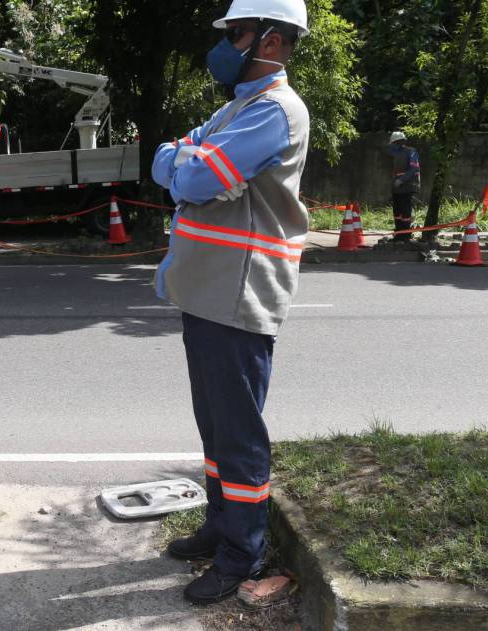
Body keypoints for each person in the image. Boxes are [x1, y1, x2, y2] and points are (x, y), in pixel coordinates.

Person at [150, 0, 311, 605]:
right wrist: (188, 161)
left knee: (238, 431)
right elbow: (172, 159)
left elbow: (190, 179)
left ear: (271, 41)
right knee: (216, 424)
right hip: (209, 290)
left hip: (239, 292)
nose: (225, 44)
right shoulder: (237, 109)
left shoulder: (271, 111)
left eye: (237, 33)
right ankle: (222, 527)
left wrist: (190, 165)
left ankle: (244, 552)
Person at [388, 131, 421, 241]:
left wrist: (402, 180)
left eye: (395, 143)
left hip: (408, 186)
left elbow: (414, 169)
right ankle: (399, 234)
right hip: (397, 187)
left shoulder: (411, 152)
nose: (394, 145)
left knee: (405, 211)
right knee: (397, 212)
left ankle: (406, 236)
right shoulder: (395, 154)